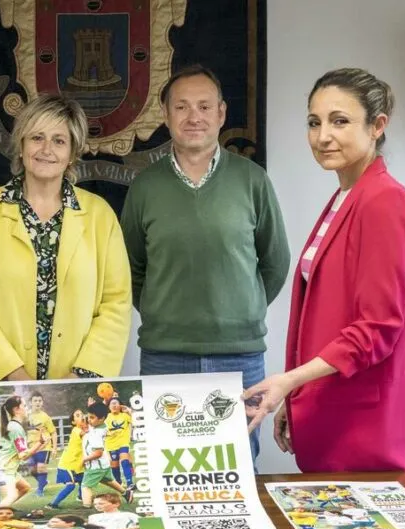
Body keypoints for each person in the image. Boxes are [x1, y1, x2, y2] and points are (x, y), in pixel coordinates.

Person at [243, 68, 405, 472]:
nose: (322, 136)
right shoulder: (347, 196)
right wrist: (298, 399)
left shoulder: (385, 202)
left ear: (377, 126)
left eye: (340, 121)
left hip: (366, 426)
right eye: (314, 122)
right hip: (335, 411)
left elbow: (377, 328)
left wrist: (290, 382)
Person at [120, 65, 290, 463]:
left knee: (237, 465)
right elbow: (130, 267)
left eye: (203, 106)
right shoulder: (144, 186)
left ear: (221, 113)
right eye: (181, 106)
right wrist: (166, 311)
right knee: (168, 466)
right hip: (166, 353)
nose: (193, 116)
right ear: (165, 115)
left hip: (240, 354)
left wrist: (238, 307)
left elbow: (275, 262)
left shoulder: (252, 180)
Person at [0, 94, 132, 468]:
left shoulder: (99, 216)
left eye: (59, 140)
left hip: (76, 388)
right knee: (0, 500)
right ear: (20, 144)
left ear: (73, 151)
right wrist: (15, 380)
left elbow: (115, 305)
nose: (46, 149)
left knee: (71, 481)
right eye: (36, 138)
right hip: (3, 389)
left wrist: (76, 380)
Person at [0, 395, 49, 507]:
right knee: (11, 496)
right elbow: (24, 456)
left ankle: (5, 509)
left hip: (8, 468)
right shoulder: (16, 428)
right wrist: (39, 443)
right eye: (25, 405)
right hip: (3, 469)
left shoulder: (14, 426)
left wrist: (40, 444)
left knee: (25, 487)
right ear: (16, 410)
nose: (27, 408)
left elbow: (23, 453)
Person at [80, 402, 132, 507]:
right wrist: (94, 406)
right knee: (108, 480)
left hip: (96, 465)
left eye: (92, 417)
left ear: (101, 418)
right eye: (88, 417)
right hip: (103, 463)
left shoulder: (97, 434)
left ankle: (86, 507)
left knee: (85, 486)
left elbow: (98, 453)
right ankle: (126, 493)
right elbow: (94, 422)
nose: (89, 420)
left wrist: (84, 459)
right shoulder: (100, 425)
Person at [47, 409, 87, 509]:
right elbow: (86, 434)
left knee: (85, 480)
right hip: (67, 464)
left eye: (82, 414)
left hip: (77, 464)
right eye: (78, 415)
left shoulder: (84, 429)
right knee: (71, 485)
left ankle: (81, 497)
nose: (81, 416)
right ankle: (53, 504)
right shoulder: (76, 430)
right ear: (73, 422)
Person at [26, 392, 57, 497]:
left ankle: (40, 491)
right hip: (31, 447)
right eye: (35, 401)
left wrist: (54, 448)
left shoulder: (45, 417)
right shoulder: (26, 416)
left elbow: (53, 432)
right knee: (31, 469)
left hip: (44, 446)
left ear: (42, 402)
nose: (37, 403)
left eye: (39, 401)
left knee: (41, 467)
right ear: (31, 402)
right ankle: (43, 482)